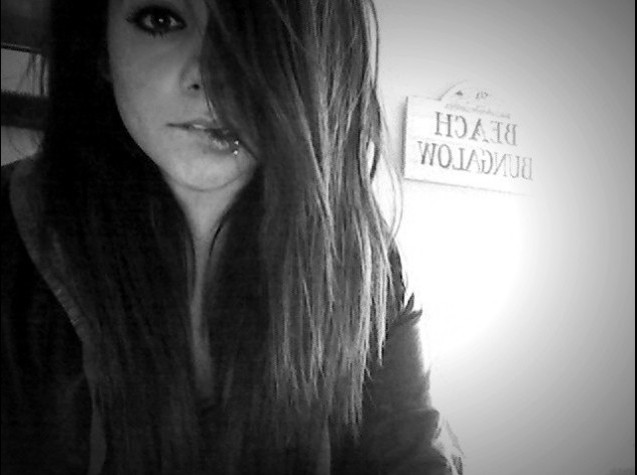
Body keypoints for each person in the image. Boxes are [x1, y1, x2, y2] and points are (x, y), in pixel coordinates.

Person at [1, 0, 464, 473]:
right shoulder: (11, 233)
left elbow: (412, 456)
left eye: (257, 31)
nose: (214, 75)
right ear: (100, 47)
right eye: (161, 20)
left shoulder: (361, 261)